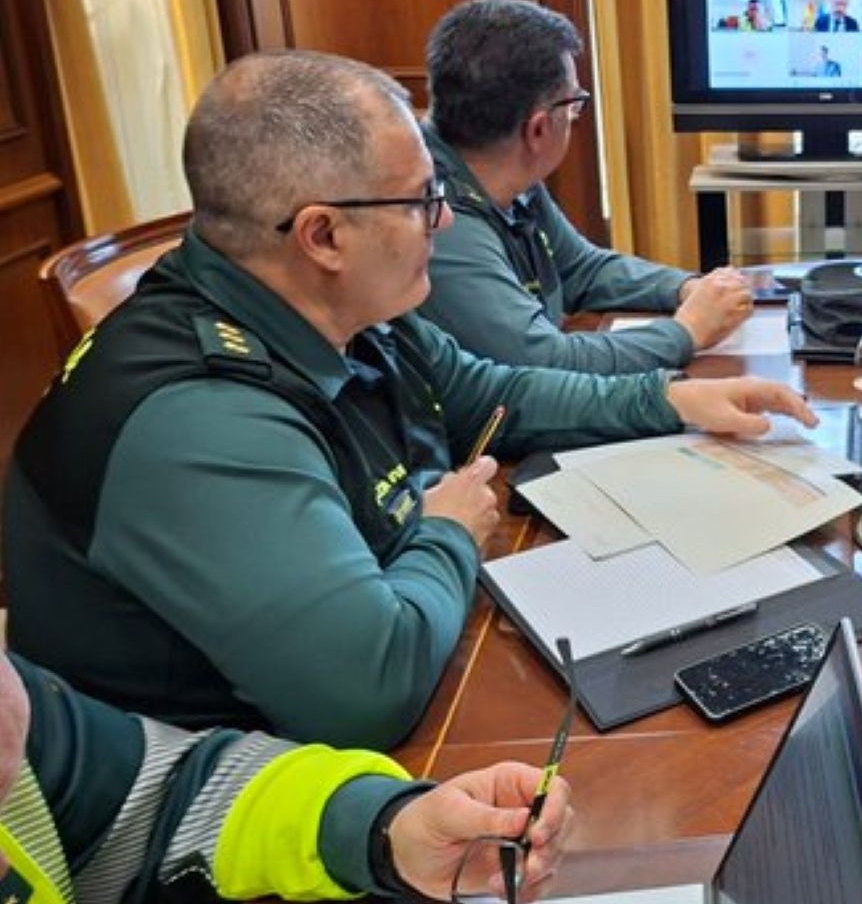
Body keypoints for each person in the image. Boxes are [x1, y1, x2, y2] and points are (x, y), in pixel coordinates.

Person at [4, 49, 816, 750]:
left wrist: (672, 399)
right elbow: (368, 688)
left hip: (384, 675)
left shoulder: (332, 304)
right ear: (323, 235)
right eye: (423, 200)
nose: (446, 222)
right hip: (227, 798)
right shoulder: (201, 419)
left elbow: (490, 393)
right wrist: (446, 531)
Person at [0, 649, 570, 903]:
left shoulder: (20, 724)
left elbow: (168, 793)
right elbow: (370, 680)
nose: (11, 705)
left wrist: (383, 829)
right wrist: (446, 532)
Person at [420, 0, 752, 375]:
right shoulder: (436, 216)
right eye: (574, 104)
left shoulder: (507, 172)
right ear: (538, 129)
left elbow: (581, 269)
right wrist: (686, 332)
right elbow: (546, 362)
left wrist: (686, 289)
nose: (576, 117)